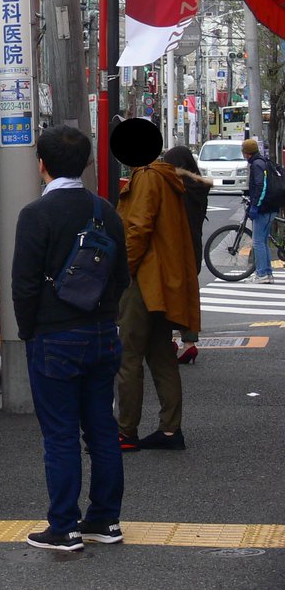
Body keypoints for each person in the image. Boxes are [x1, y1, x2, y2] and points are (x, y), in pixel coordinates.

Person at [12, 125, 129, 552]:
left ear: (41, 164)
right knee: (101, 428)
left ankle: (63, 526)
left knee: (60, 434)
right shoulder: (105, 211)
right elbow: (122, 278)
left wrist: (30, 332)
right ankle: (105, 520)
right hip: (102, 334)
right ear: (85, 163)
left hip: (54, 338)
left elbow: (23, 285)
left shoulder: (35, 215)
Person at [113, 118, 201, 453]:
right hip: (164, 281)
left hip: (143, 280)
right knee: (162, 354)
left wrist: (125, 270)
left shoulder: (147, 177)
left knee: (129, 355)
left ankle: (126, 431)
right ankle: (169, 430)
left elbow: (138, 228)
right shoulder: (166, 177)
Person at [161, 145, 212, 364]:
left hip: (174, 248)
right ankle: (189, 343)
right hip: (194, 247)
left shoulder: (174, 187)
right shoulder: (198, 186)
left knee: (166, 294)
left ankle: (166, 340)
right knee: (189, 294)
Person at [242, 137, 278, 284]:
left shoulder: (256, 164)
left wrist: (255, 206)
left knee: (257, 241)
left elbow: (260, 186)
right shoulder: (263, 161)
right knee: (262, 241)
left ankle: (262, 274)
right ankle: (267, 273)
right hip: (271, 206)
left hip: (264, 208)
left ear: (246, 153)